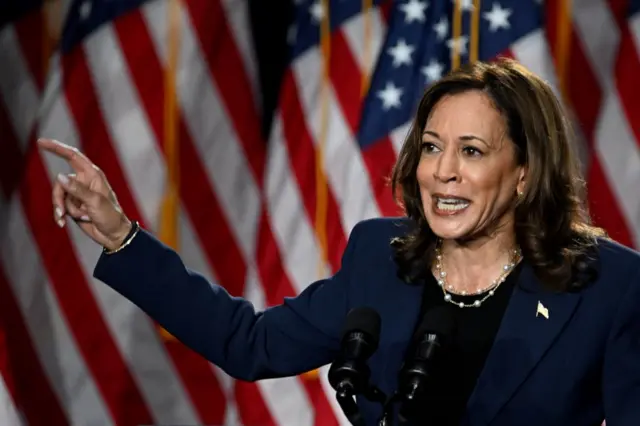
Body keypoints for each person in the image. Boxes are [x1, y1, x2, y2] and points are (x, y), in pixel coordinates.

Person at [38, 58, 640, 426]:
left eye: (472, 151)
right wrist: (121, 238)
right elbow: (250, 345)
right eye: (431, 147)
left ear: (525, 173)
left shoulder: (607, 286)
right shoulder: (382, 256)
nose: (442, 172)